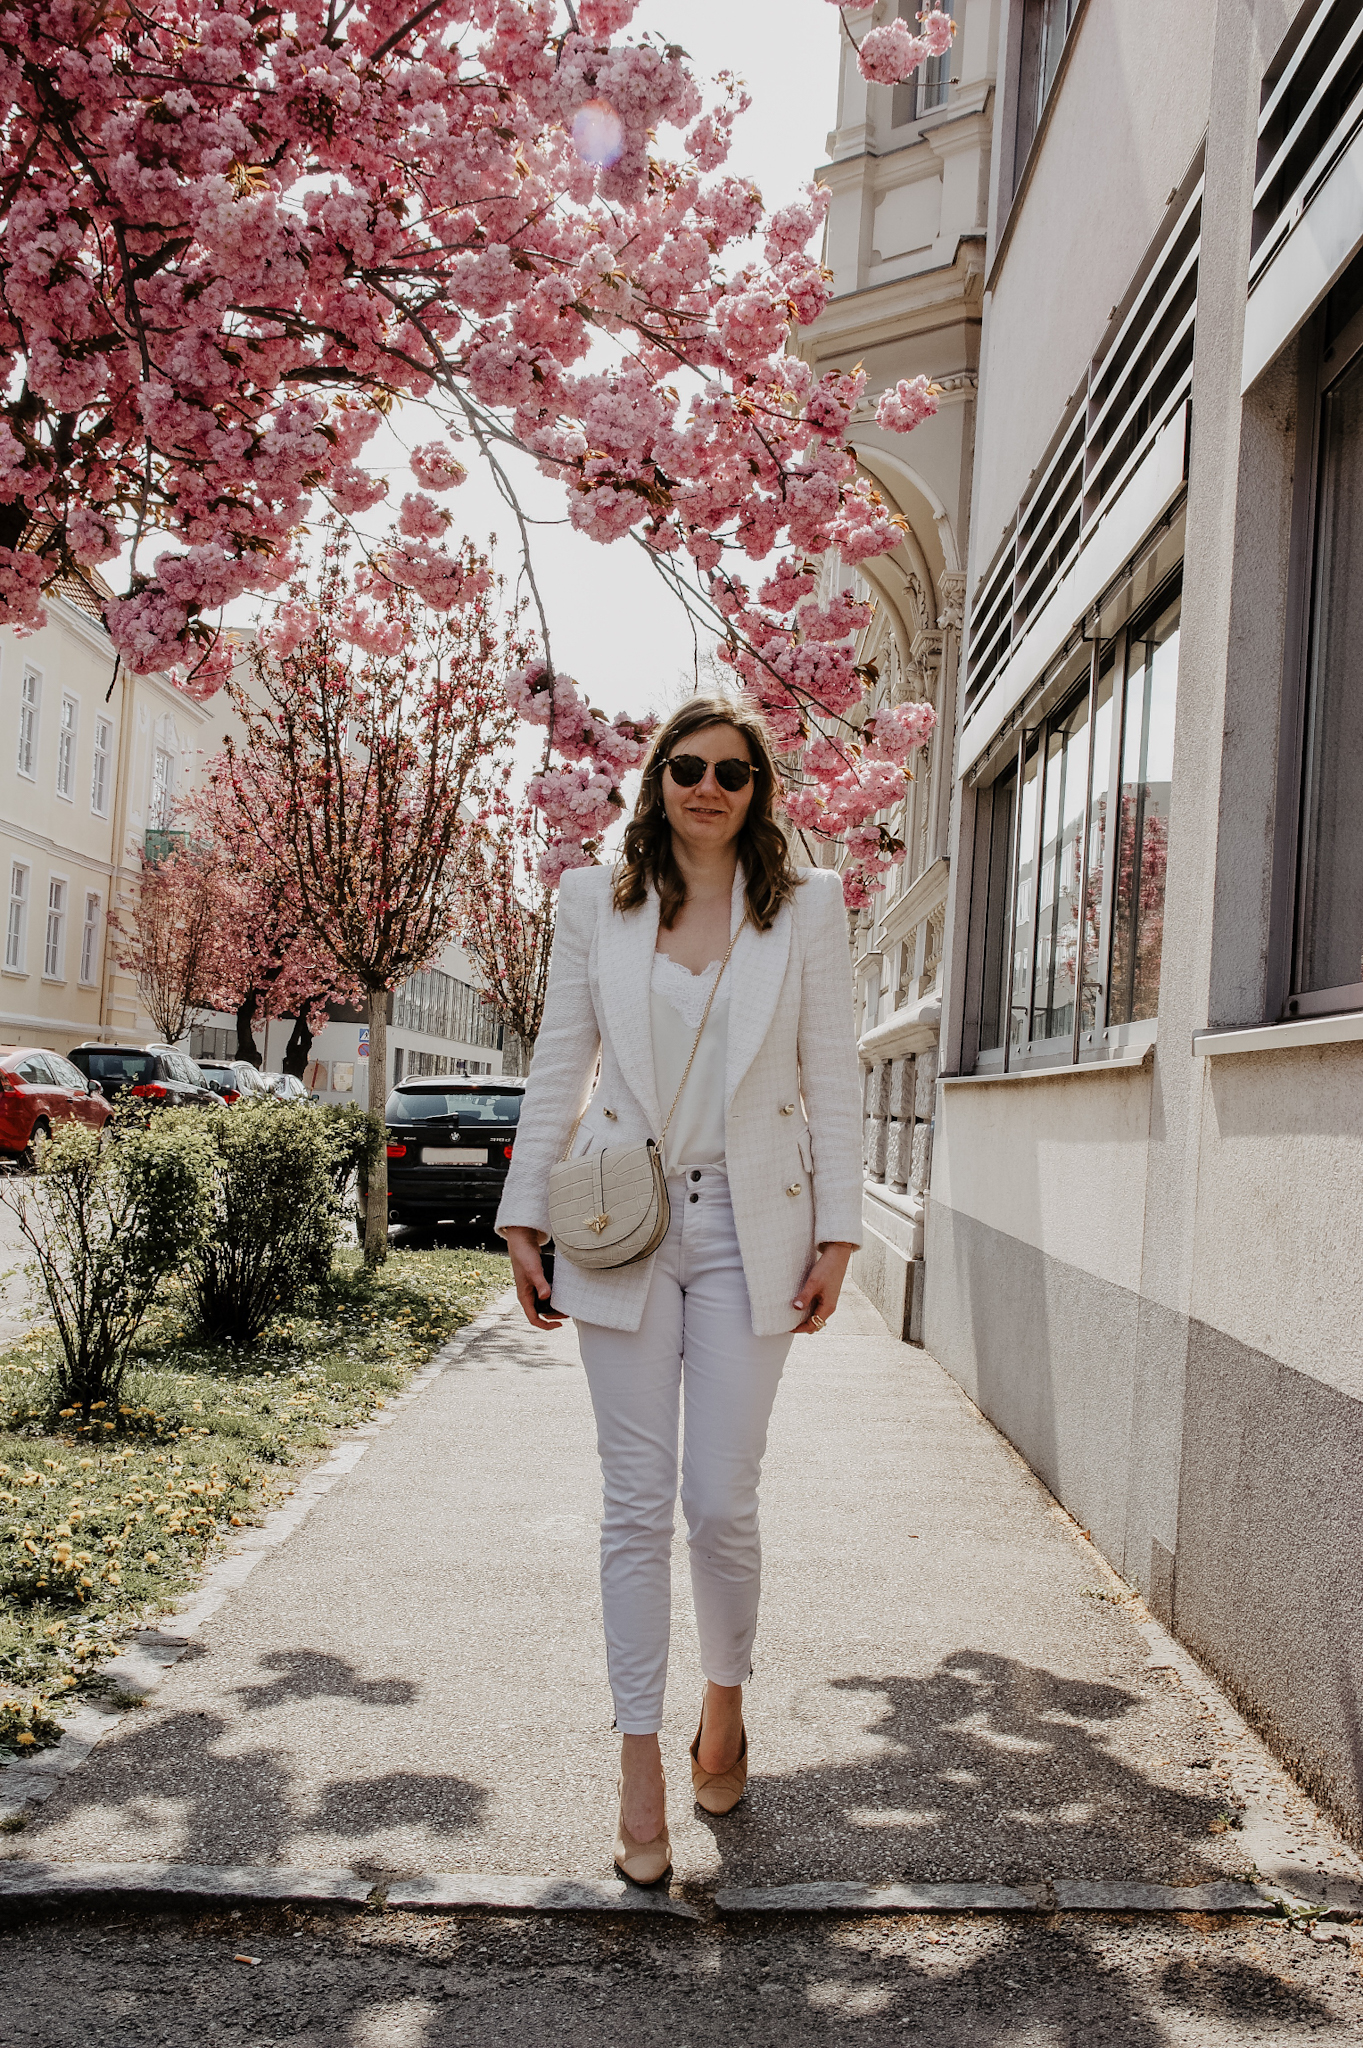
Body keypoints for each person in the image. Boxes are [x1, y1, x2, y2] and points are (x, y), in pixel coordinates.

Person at [497, 694, 862, 1886]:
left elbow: (834, 1077)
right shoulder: (589, 902)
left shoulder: (804, 907)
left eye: (734, 772)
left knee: (720, 1499)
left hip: (754, 1226)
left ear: (759, 792)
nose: (709, 786)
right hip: (621, 1224)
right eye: (688, 766)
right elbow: (560, 1058)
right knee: (634, 1502)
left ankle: (724, 1700)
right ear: (655, 779)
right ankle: (637, 1759)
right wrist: (521, 1212)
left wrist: (841, 1234)